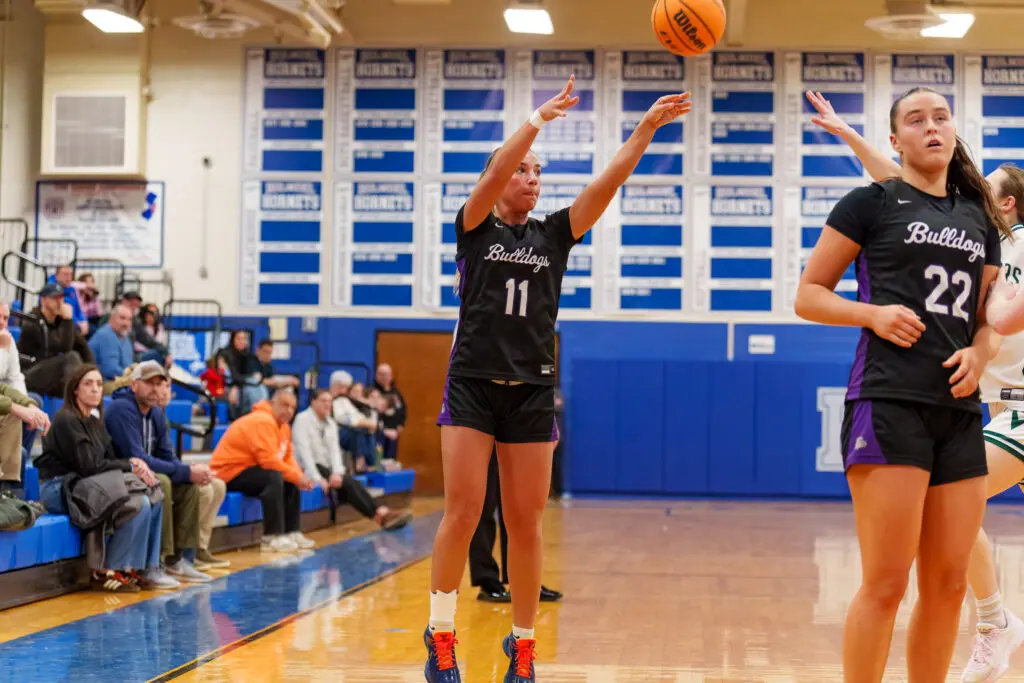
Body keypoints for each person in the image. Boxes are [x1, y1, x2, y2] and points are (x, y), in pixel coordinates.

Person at [424, 74, 691, 683]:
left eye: (539, 172)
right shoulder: (473, 225)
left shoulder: (554, 235)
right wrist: (537, 122)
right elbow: (498, 170)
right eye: (523, 169)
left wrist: (646, 128)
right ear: (498, 178)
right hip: (472, 383)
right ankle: (440, 636)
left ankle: (522, 647)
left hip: (532, 391)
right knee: (463, 513)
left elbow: (609, 181)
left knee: (525, 522)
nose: (532, 177)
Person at [806, 90, 1024, 683]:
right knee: (886, 582)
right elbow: (809, 295)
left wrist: (980, 352)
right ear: (896, 139)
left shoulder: (979, 219)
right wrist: (871, 314)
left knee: (949, 585)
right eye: (916, 119)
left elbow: (987, 319)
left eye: (941, 117)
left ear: (954, 132)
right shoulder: (869, 203)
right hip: (889, 402)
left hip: (960, 411)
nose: (932, 127)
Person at [34, 364, 172, 592]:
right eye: (88, 384)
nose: (95, 389)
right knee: (137, 502)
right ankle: (110, 569)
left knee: (153, 495)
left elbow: (110, 459)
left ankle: (145, 567)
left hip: (86, 483)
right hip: (59, 488)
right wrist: (130, 464)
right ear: (75, 389)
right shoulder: (66, 419)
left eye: (99, 384)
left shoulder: (94, 422)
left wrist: (133, 464)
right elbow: (90, 466)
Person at [104, 361, 213, 584]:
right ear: (134, 385)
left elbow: (167, 455)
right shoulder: (121, 409)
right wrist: (185, 471)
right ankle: (155, 563)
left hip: (143, 473)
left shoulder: (155, 412)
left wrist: (187, 473)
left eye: (159, 384)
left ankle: (179, 560)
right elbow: (137, 457)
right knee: (162, 482)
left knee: (188, 486)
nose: (155, 389)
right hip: (118, 473)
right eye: (149, 383)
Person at [209, 389, 317, 553]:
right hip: (227, 473)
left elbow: (287, 458)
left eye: (293, 407)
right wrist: (297, 477)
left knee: (290, 481)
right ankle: (271, 537)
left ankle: (292, 532)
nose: (289, 411)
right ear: (272, 404)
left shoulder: (283, 427)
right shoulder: (262, 420)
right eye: (285, 405)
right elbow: (269, 462)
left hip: (249, 471)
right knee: (273, 476)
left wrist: (299, 476)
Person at [291, 388, 411, 529]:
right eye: (323, 401)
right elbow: (304, 453)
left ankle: (380, 515)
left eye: (329, 401)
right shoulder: (302, 420)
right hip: (306, 468)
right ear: (313, 402)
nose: (327, 404)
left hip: (325, 468)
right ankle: (380, 515)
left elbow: (335, 451)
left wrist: (337, 472)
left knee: (351, 484)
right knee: (348, 484)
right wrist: (317, 478)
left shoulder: (331, 423)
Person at [468, 446, 562, 603]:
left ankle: (523, 580)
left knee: (518, 505)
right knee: (483, 504)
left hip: (518, 433)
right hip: (481, 434)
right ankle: (487, 581)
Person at [154, 378, 229, 569]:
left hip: (168, 469)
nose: (164, 391)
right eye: (159, 385)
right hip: (156, 473)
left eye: (168, 386)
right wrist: (186, 472)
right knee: (203, 490)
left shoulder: (162, 415)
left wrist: (188, 468)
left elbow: (169, 456)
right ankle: (183, 552)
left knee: (218, 485)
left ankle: (200, 547)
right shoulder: (144, 414)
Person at [18, 283, 94, 398]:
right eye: (55, 298)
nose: (60, 302)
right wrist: (67, 321)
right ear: (43, 300)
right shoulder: (33, 321)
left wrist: (93, 372)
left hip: (53, 375)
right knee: (71, 357)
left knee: (78, 360)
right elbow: (64, 348)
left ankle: (81, 399)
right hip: (30, 372)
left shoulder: (60, 320)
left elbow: (82, 346)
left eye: (61, 297)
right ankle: (76, 401)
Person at [88, 304, 135, 394]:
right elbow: (110, 370)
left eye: (129, 319)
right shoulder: (106, 335)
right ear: (111, 318)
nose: (126, 323)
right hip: (100, 383)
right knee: (137, 392)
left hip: (119, 380)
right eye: (122, 318)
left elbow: (128, 366)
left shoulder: (125, 339)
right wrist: (133, 377)